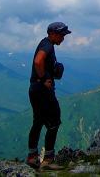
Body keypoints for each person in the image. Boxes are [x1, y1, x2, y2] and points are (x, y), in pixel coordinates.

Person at [25, 22, 71, 170]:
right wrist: (45, 78)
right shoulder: (47, 46)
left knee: (38, 121)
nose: (63, 38)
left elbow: (41, 63)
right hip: (43, 91)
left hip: (35, 89)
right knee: (54, 122)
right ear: (53, 33)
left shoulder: (45, 43)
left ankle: (32, 157)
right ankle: (48, 160)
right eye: (62, 35)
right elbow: (38, 61)